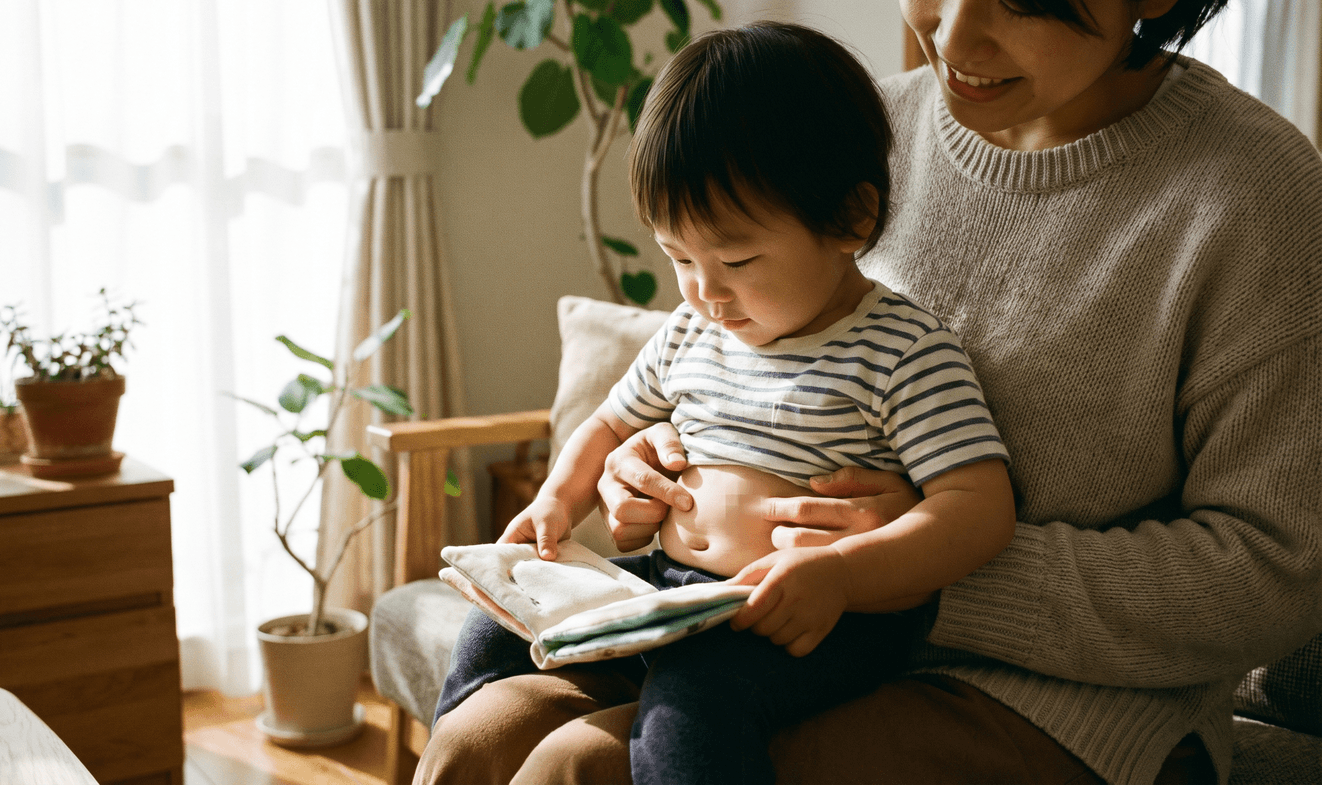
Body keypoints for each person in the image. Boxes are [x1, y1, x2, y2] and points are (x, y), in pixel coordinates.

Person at [417, 0, 1322, 781]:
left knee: (582, 766)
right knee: (482, 733)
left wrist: (906, 569)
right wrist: (645, 464)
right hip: (745, 608)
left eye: (1024, 1)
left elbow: (1276, 575)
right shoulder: (855, 123)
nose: (952, 34)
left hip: (1067, 700)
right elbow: (730, 342)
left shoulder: (1257, 197)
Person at [428, 21, 1017, 785]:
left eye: (737, 259)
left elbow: (978, 505)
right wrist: (554, 502)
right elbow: (610, 424)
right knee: (491, 627)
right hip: (669, 591)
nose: (705, 291)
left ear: (852, 219)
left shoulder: (903, 348)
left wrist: (843, 571)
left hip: (807, 618)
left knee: (696, 698)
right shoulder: (689, 333)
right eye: (679, 257)